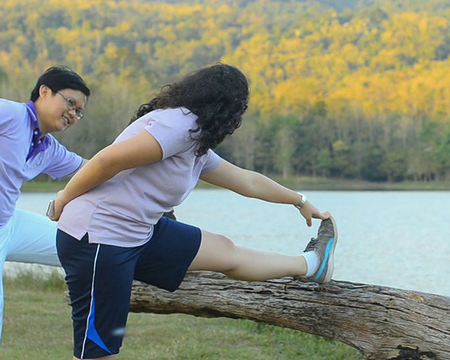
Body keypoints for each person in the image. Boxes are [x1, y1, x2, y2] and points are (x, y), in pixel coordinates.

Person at [49, 63, 338, 359]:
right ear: (228, 110)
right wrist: (62, 199)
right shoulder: (177, 127)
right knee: (98, 352)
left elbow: (247, 181)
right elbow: (105, 162)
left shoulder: (194, 140)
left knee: (224, 251)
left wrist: (299, 200)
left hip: (138, 233)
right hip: (98, 239)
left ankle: (312, 263)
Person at [0, 66, 91, 359]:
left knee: (80, 246)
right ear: (44, 91)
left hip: (6, 224)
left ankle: (156, 259)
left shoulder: (47, 148)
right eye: (70, 103)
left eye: (79, 112)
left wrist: (141, 174)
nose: (73, 115)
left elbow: (92, 169)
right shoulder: (7, 114)